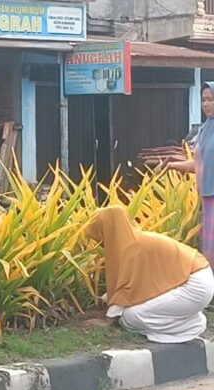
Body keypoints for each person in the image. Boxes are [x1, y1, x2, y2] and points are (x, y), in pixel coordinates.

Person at [83, 205, 214, 343]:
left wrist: (107, 321)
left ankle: (192, 325)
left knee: (130, 317)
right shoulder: (133, 241)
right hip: (195, 278)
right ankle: (185, 315)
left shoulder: (130, 249)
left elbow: (125, 289)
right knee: (114, 302)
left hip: (194, 286)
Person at [166, 82, 214, 265]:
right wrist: (172, 166)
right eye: (203, 100)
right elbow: (200, 164)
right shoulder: (204, 129)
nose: (206, 104)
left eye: (211, 100)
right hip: (207, 197)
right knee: (209, 248)